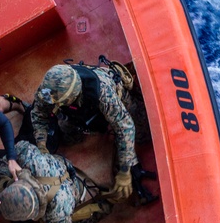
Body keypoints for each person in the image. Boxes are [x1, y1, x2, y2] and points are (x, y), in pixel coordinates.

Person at [31, 58, 154, 202]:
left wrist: (125, 171)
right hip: (76, 111)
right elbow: (39, 114)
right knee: (68, 136)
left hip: (114, 102)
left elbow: (125, 127)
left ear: (73, 95)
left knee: (143, 135)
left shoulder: (103, 91)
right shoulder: (49, 90)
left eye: (58, 102)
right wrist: (42, 145)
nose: (51, 103)